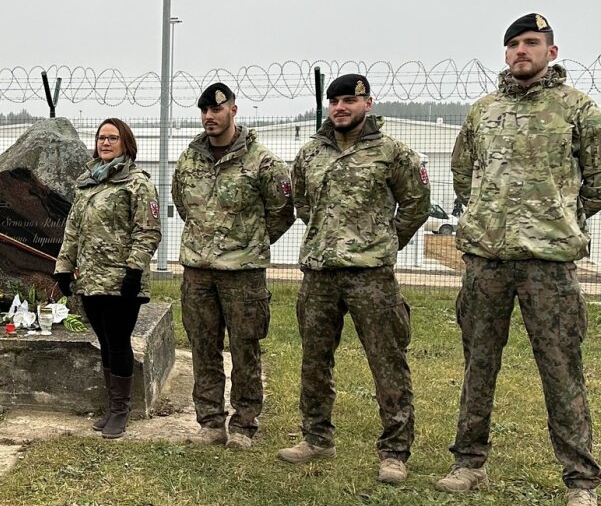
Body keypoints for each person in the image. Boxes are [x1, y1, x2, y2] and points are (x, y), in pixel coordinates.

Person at [438, 14, 601, 506]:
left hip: (549, 264)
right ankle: (468, 463)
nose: (522, 50)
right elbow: (462, 171)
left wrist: (559, 216)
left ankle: (580, 482)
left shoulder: (579, 110)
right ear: (505, 53)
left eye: (532, 43)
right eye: (514, 44)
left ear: (551, 52)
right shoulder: (484, 111)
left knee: (562, 371)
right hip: (487, 261)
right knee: (478, 365)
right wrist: (482, 215)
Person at [277, 74, 430, 483]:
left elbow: (416, 204)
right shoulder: (310, 154)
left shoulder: (392, 152)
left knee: (387, 361)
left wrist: (382, 241)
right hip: (320, 274)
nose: (340, 107)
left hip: (371, 276)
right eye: (334, 101)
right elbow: (304, 204)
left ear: (367, 102)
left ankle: (395, 451)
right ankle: (316, 436)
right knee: (314, 360)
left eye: (349, 100)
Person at [171, 82, 294, 449]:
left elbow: (282, 212)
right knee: (203, 346)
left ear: (233, 111)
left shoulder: (263, 162)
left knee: (245, 348)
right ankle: (210, 422)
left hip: (243, 273)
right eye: (204, 111)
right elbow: (183, 204)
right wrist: (207, 243)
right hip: (198, 271)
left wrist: (249, 243)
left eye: (217, 110)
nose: (209, 117)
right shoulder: (190, 158)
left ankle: (244, 424)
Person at [54, 118, 161, 440]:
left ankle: (121, 409)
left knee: (118, 342)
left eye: (112, 138)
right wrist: (63, 266)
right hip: (90, 279)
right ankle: (111, 405)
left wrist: (133, 270)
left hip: (120, 282)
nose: (105, 143)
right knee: (104, 342)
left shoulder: (137, 183)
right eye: (101, 137)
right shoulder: (88, 183)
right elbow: (73, 230)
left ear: (126, 144)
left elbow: (148, 231)